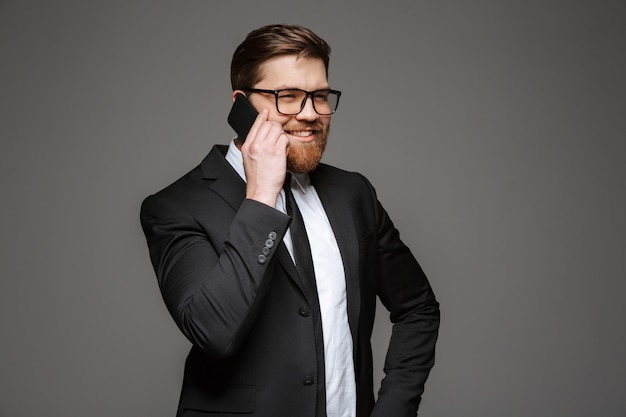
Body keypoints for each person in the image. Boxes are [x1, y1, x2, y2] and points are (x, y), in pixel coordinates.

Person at [140, 23, 440, 417]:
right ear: (241, 104)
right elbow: (213, 331)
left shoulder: (353, 195)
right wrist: (262, 196)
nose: (311, 114)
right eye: (288, 97)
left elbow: (418, 307)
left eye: (319, 96)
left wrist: (393, 409)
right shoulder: (176, 206)